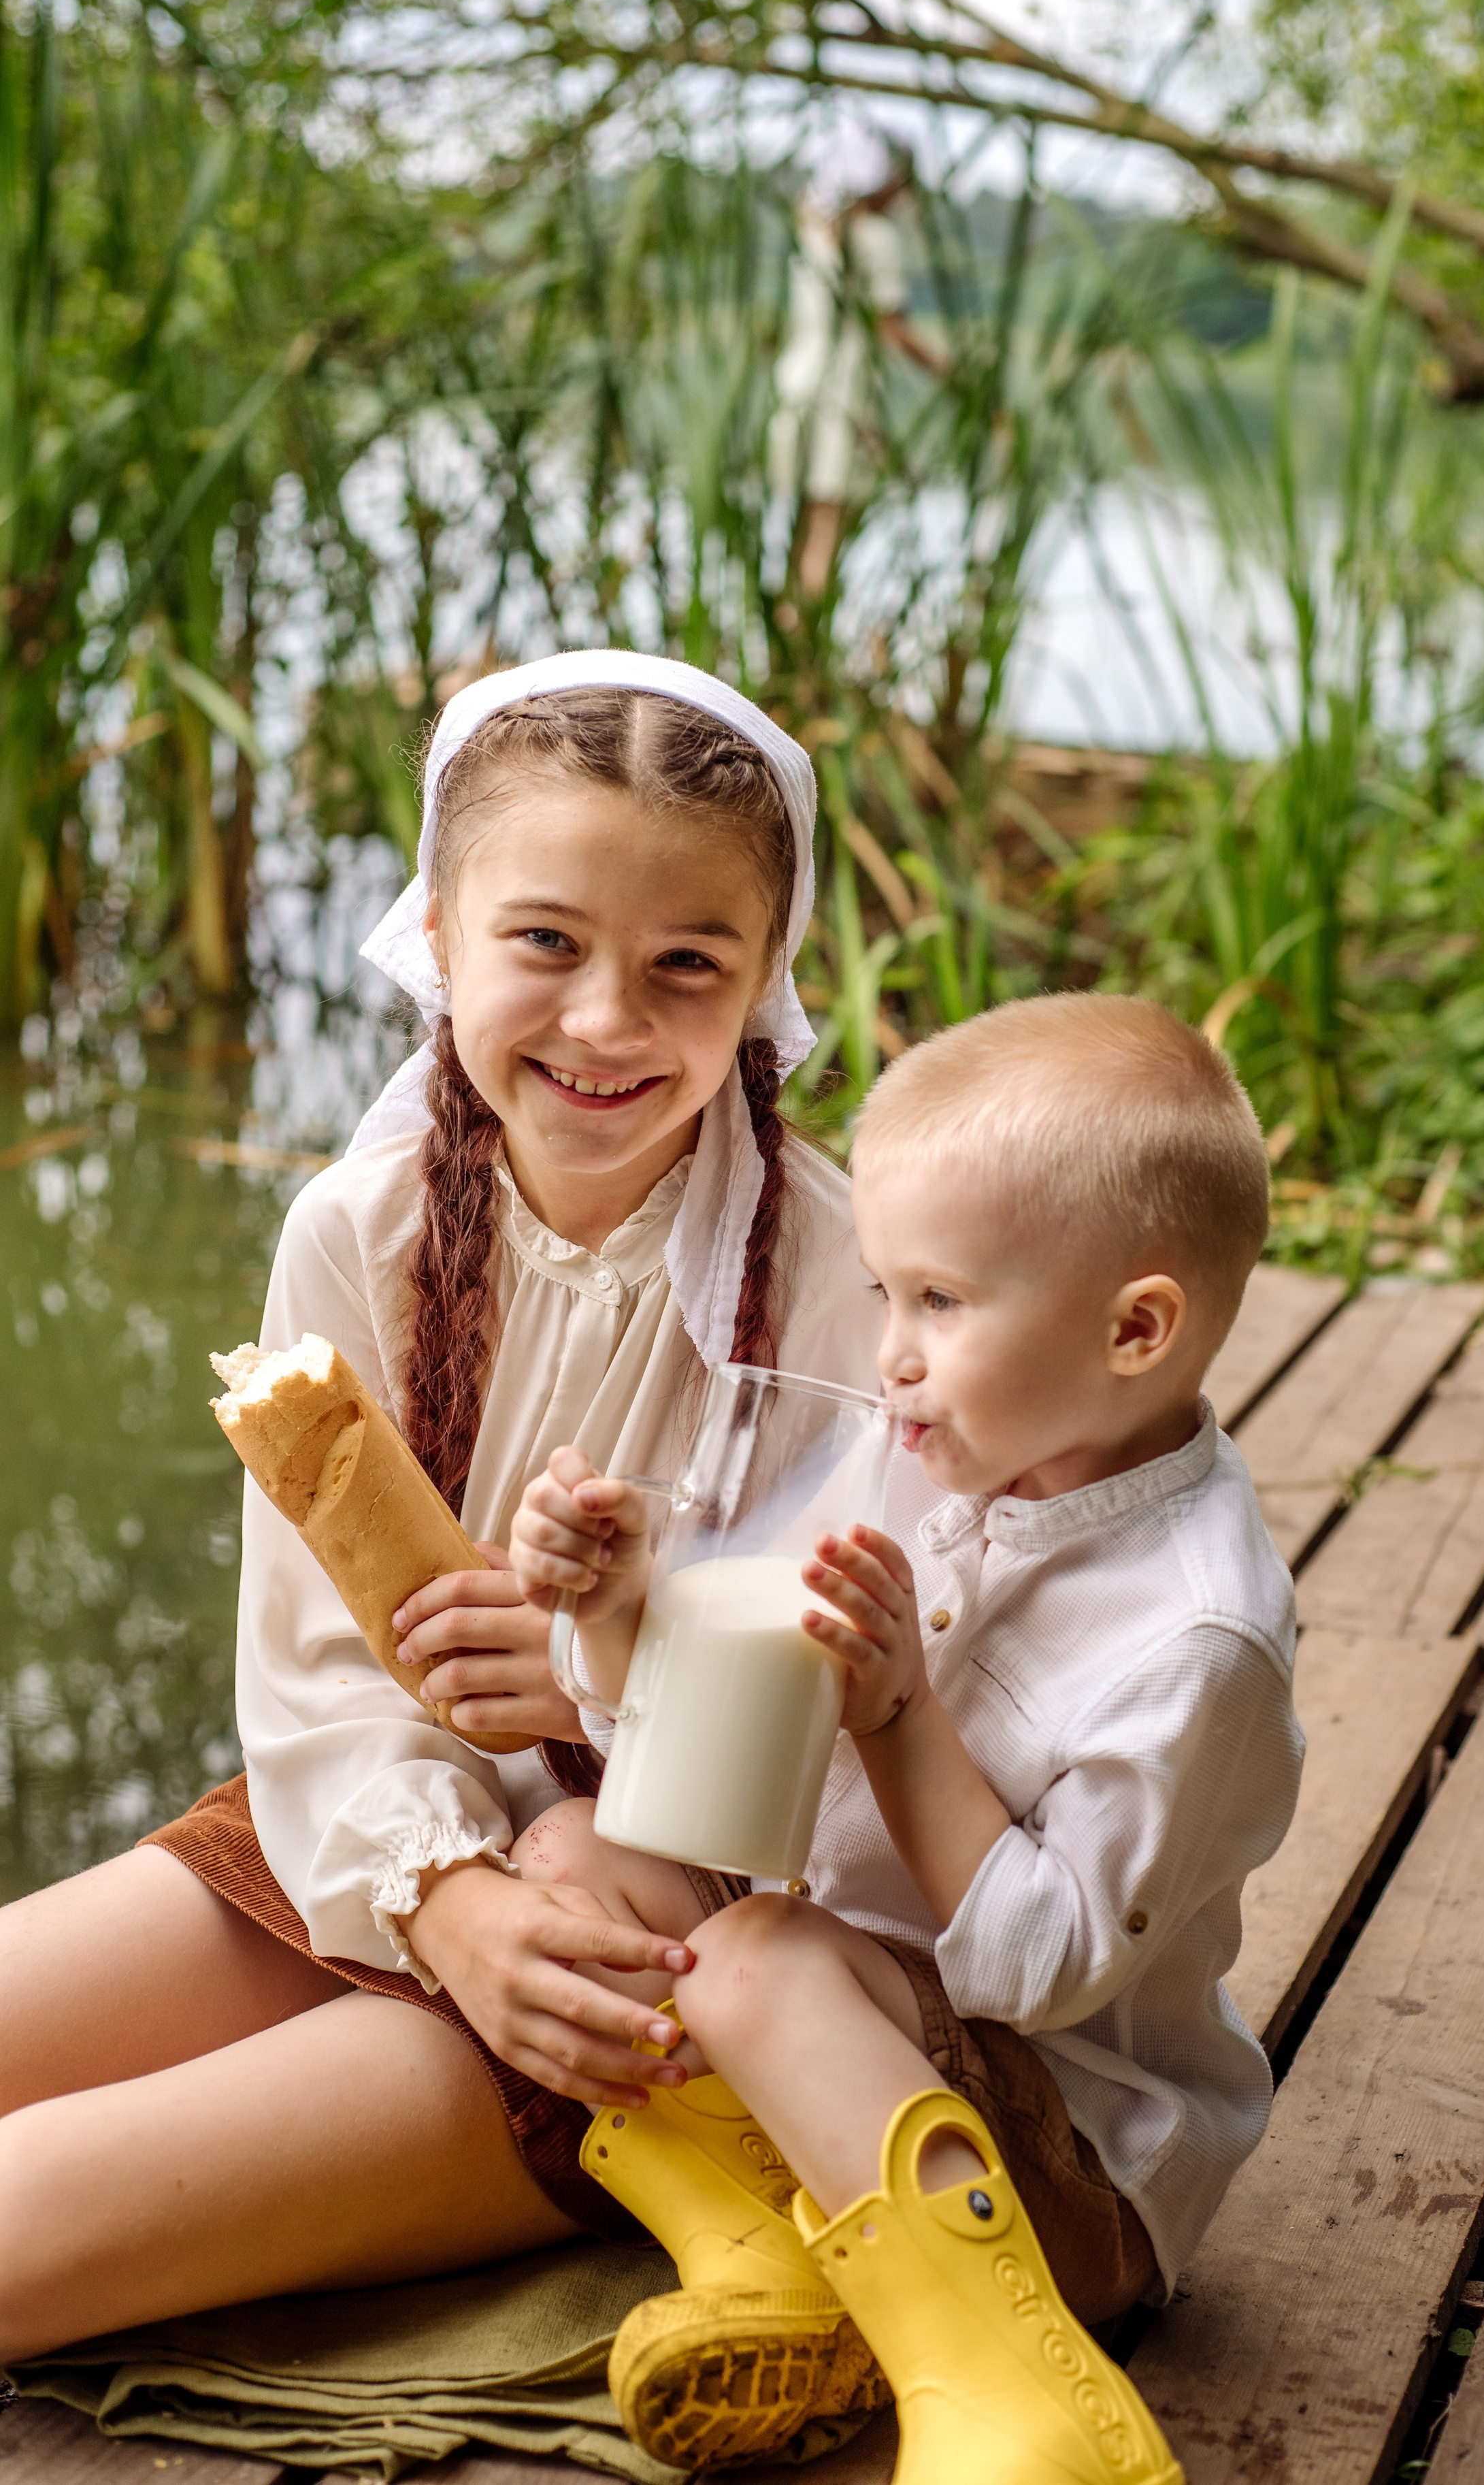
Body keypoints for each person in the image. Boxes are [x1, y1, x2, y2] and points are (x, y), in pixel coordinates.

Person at [0, 652, 883, 2362]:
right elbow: (317, 1667)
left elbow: (893, 1752)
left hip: (649, 1932)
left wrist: (590, 1683)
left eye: (684, 961)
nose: (607, 1019)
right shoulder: (360, 1225)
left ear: (765, 978)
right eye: (545, 941)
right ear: (443, 932)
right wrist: (438, 1895)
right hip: (369, 1833)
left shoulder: (848, 1281)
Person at [508, 993, 1305, 2482]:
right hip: (831, 2033)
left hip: (1056, 2161)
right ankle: (777, 2252)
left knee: (751, 1956)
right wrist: (620, 1607)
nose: (889, 1355)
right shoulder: (917, 1451)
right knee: (569, 1856)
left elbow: (1039, 1968)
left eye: (937, 1303)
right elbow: (695, 1765)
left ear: (1134, 1327)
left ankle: (1012, 2386)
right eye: (883, 1296)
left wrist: (893, 1718)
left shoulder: (1196, 1636)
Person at [769, 120, 947, 599]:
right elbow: (894, 331)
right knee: (827, 531)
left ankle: (789, 633)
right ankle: (805, 643)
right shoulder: (874, 239)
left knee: (803, 527)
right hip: (842, 399)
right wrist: (954, 374)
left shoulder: (811, 232)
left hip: (796, 387)